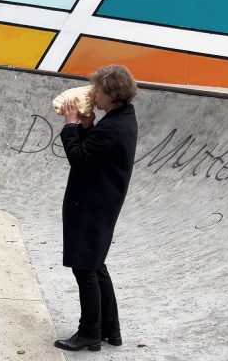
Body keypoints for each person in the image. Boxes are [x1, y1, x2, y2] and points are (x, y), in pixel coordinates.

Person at [54, 64, 138, 351]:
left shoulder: (113, 127)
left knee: (85, 269)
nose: (94, 96)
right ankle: (109, 329)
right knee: (96, 265)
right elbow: (96, 155)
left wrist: (70, 125)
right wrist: (87, 126)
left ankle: (89, 332)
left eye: (98, 92)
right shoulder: (121, 118)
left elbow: (79, 158)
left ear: (112, 94)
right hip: (101, 203)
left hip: (91, 206)